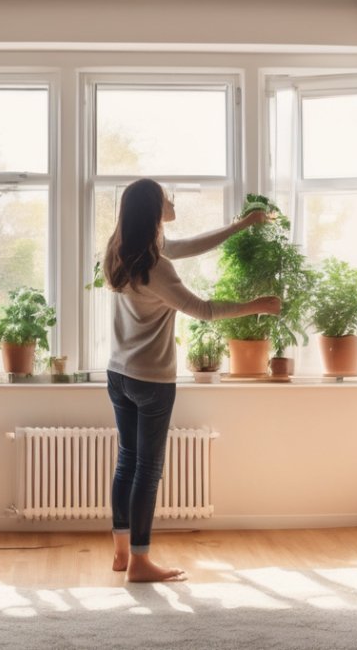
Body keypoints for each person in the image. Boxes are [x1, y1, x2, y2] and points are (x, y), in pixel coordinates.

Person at [102, 178, 281, 582]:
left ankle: (121, 553)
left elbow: (190, 245)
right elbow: (203, 309)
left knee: (127, 462)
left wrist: (239, 226)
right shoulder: (156, 265)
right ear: (153, 209)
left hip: (118, 374)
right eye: (167, 197)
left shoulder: (118, 253)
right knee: (148, 469)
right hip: (151, 381)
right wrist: (257, 306)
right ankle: (141, 562)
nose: (172, 201)